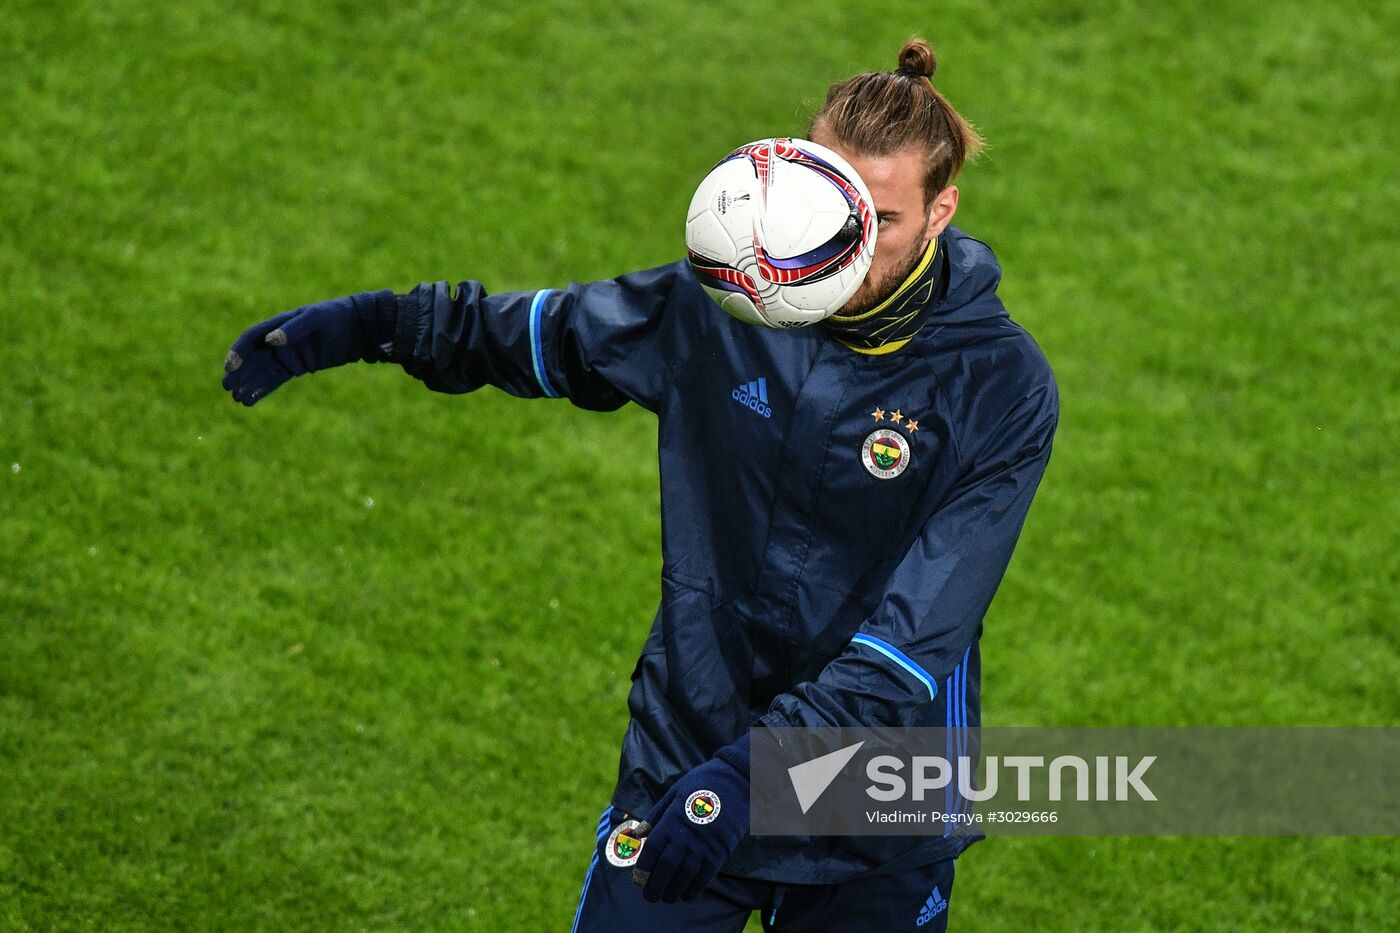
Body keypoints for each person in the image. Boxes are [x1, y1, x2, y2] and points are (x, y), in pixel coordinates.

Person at [222, 36, 1058, 932]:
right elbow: (550, 335)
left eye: (879, 222)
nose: (832, 251)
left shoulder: (1000, 388)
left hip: (873, 808)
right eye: (827, 200)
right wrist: (372, 324)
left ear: (941, 214)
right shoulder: (740, 298)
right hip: (686, 750)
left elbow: (911, 641)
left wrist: (752, 775)